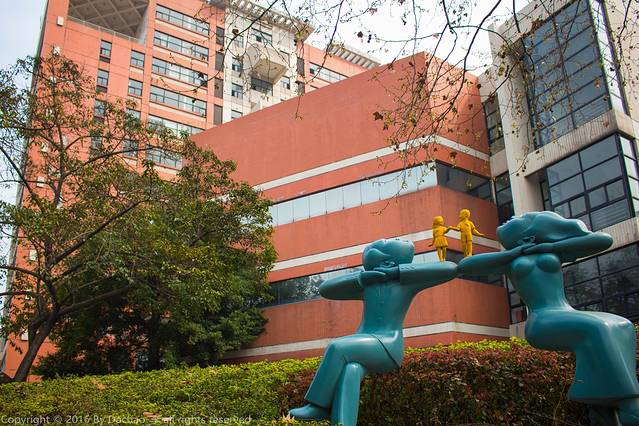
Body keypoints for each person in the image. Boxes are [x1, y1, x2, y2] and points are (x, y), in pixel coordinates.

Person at [458, 211, 639, 425]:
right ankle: (630, 404)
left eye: (520, 218)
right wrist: (513, 253)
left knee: (623, 325)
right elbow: (466, 265)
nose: (511, 218)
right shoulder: (509, 260)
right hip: (541, 320)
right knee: (597, 328)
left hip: (566, 312)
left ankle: (601, 406)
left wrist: (549, 247)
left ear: (531, 232)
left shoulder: (552, 250)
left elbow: (603, 240)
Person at [289, 238, 457, 426]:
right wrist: (361, 279)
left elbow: (450, 268)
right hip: (364, 342)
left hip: (387, 344)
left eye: (383, 244)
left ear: (389, 261)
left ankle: (318, 406)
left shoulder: (406, 282)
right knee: (351, 370)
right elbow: (325, 289)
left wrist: (398, 272)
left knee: (337, 347)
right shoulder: (367, 284)